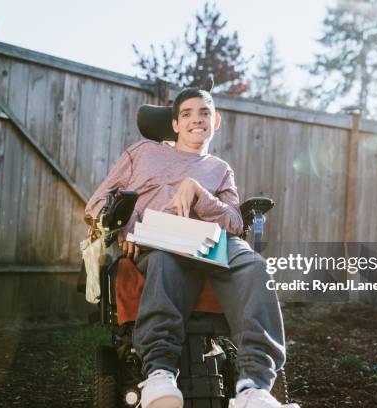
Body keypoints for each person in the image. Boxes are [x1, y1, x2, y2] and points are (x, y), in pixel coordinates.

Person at [85, 86, 298, 408]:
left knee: (255, 266)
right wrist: (125, 229)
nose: (196, 120)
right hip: (157, 236)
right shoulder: (142, 153)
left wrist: (198, 191)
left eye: (204, 113)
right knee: (165, 263)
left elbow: (235, 224)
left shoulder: (219, 169)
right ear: (174, 124)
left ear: (216, 121)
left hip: (208, 240)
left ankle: (254, 387)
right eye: (186, 114)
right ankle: (159, 374)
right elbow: (97, 203)